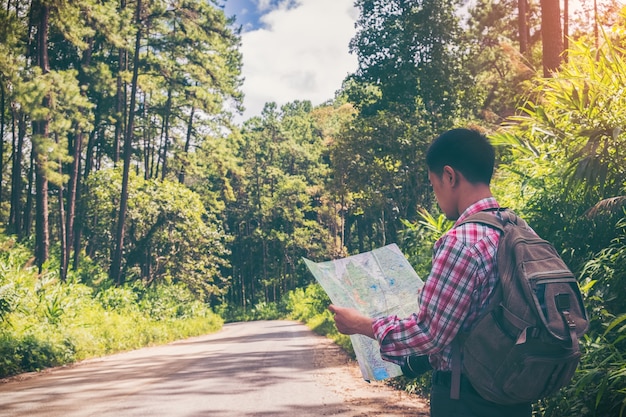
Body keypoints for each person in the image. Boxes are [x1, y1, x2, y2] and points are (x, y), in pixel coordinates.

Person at [328, 128, 532, 417]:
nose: (435, 194)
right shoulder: (518, 228)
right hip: (515, 393)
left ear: (449, 176)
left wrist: (361, 324)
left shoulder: (461, 242)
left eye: (432, 183)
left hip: (467, 399)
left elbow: (429, 333)